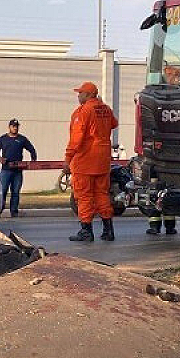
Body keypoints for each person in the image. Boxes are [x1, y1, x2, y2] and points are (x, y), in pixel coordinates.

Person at [64, 82, 119, 242]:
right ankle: (108, 230)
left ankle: (86, 230)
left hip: (86, 160)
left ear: (88, 95)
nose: (78, 95)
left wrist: (68, 159)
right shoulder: (105, 109)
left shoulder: (83, 111)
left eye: (80, 93)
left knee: (84, 196)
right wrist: (100, 104)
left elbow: (77, 138)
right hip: (102, 160)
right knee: (102, 194)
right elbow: (114, 124)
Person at [0, 119, 37, 218]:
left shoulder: (22, 139)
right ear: (9, 127)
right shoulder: (3, 139)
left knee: (15, 192)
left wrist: (33, 160)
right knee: (3, 191)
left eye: (17, 126)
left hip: (18, 171)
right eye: (13, 126)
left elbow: (32, 149)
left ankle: (14, 211)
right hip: (6, 170)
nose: (15, 128)